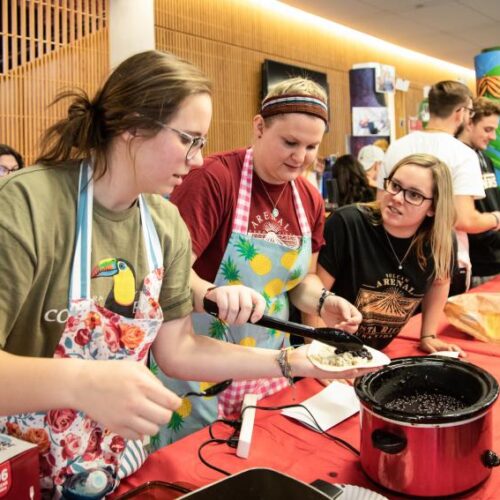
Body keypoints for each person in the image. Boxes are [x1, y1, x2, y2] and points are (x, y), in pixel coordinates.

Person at [0, 51, 372, 496]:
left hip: (112, 460)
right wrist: (83, 383)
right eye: (189, 140)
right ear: (133, 126)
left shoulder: (162, 223)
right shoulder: (25, 205)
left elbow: (178, 349)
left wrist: (291, 361)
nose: (198, 160)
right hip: (17, 461)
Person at [158, 77, 363, 444]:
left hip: (269, 365)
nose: (300, 157)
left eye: (312, 146)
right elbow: (168, 276)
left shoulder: (309, 199)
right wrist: (213, 293)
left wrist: (324, 301)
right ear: (258, 127)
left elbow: (300, 281)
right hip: (199, 362)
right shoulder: (215, 179)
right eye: (289, 142)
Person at [305, 154, 464, 356]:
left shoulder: (442, 239)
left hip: (375, 352)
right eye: (395, 186)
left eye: (414, 195)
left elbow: (439, 281)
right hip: (329, 347)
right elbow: (313, 297)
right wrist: (318, 354)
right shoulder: (347, 223)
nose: (397, 198)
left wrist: (428, 335)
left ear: (433, 207)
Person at [376, 80, 493, 295]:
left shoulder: (397, 146)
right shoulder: (463, 154)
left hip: (392, 256)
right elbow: (463, 219)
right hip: (443, 264)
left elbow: (381, 204)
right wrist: (495, 218)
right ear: (460, 113)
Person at [457, 97, 500, 286]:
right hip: (476, 263)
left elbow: (492, 202)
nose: (493, 137)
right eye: (487, 129)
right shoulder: (458, 158)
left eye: (494, 130)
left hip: (494, 258)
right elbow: (464, 218)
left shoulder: (483, 157)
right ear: (469, 123)